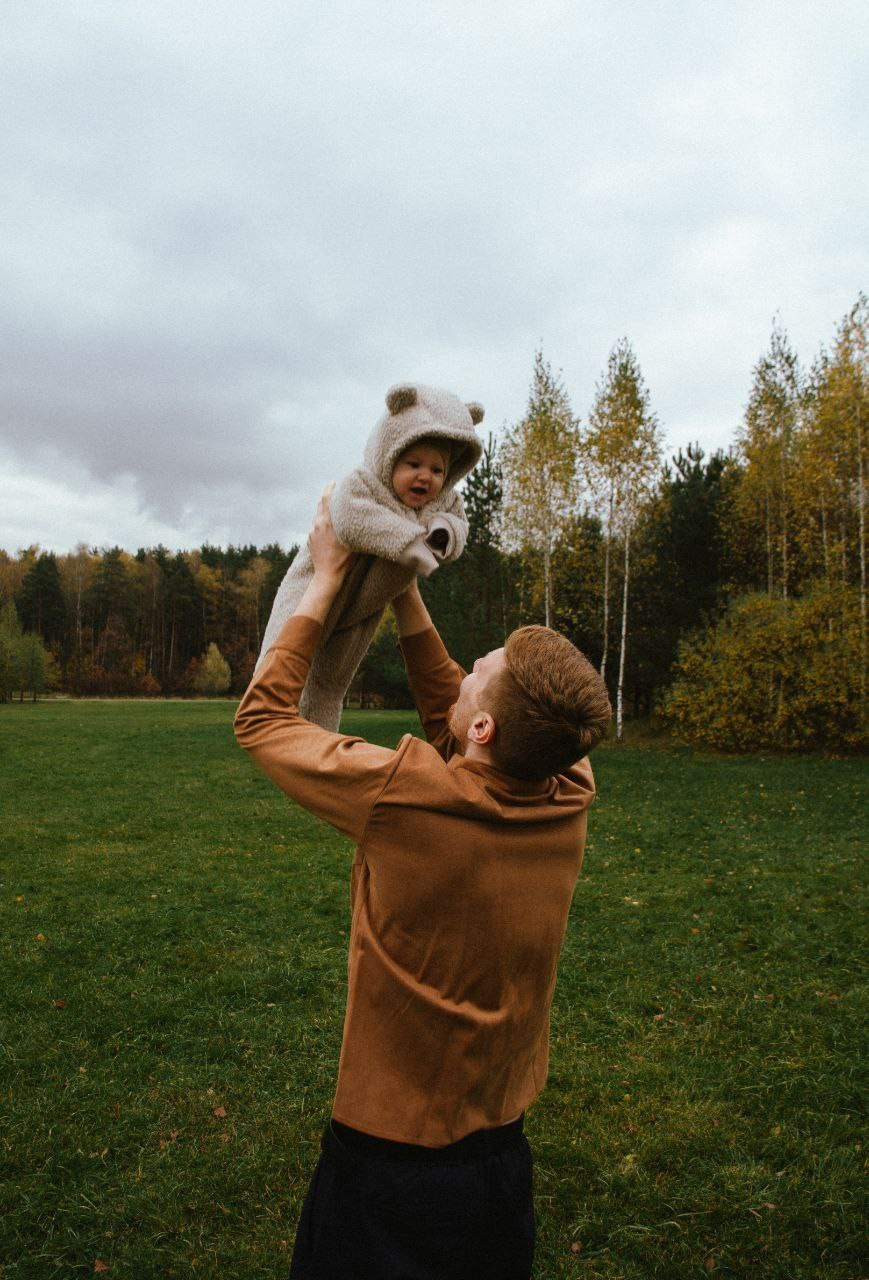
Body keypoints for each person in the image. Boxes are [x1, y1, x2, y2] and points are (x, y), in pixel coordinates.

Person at [234, 487, 612, 1280]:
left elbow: (264, 720)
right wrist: (400, 584)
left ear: (482, 731)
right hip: (500, 1156)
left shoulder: (408, 796)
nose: (469, 664)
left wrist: (330, 578)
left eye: (487, 667)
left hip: (387, 1167)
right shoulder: (567, 784)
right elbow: (464, 713)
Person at [255, 383, 484, 732]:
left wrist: (441, 537)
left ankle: (320, 745)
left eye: (438, 470)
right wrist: (412, 545)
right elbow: (349, 518)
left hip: (365, 606)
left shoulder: (442, 503)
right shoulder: (364, 484)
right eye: (413, 463)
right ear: (387, 453)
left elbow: (458, 527)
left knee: (330, 684)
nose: (426, 476)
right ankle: (264, 711)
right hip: (313, 584)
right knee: (280, 663)